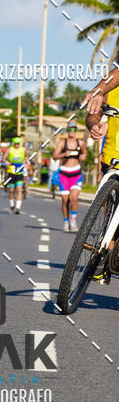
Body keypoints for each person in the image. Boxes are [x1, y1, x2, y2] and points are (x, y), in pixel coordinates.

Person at [85, 82, 119, 282]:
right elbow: (93, 114)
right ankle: (104, 253)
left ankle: (109, 256)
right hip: (112, 159)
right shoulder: (112, 88)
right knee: (110, 213)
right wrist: (93, 125)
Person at [52, 121, 86, 231]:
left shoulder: (80, 142)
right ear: (67, 130)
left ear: (76, 131)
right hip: (64, 174)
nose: (72, 131)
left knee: (74, 198)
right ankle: (66, 222)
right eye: (70, 129)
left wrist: (82, 157)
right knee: (65, 200)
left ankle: (73, 221)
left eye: (74, 129)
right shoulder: (63, 142)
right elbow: (54, 156)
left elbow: (84, 153)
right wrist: (63, 154)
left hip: (76, 173)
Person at [6, 136, 26, 215]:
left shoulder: (23, 149)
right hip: (12, 171)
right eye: (16, 144)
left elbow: (26, 157)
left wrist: (27, 163)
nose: (17, 145)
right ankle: (12, 205)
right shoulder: (9, 149)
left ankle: (18, 208)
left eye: (18, 144)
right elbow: (4, 158)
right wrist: (6, 162)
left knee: (19, 189)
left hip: (20, 172)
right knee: (11, 190)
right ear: (13, 143)